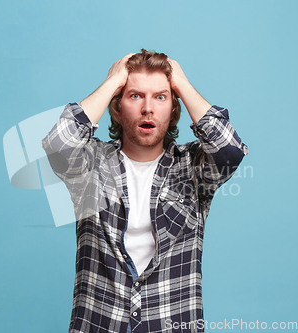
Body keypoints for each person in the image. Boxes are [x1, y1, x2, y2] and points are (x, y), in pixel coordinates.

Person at [42, 49, 248, 333]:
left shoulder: (193, 167)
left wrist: (182, 85)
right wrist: (113, 82)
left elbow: (229, 151)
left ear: (174, 108)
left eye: (160, 97)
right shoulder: (89, 165)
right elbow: (58, 144)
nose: (148, 108)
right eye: (135, 95)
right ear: (117, 106)